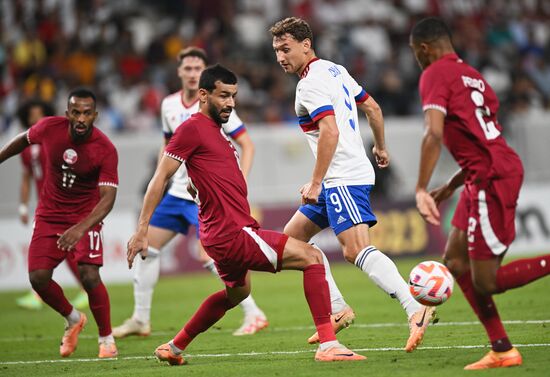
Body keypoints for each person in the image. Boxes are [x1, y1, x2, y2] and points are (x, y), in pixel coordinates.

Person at [126, 64, 365, 365]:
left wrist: (197, 188)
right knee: (312, 257)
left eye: (234, 96)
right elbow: (160, 177)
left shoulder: (217, 133)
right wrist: (142, 229)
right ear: (203, 95)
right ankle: (328, 345)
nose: (230, 103)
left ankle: (174, 347)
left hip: (223, 234)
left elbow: (197, 179)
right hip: (232, 233)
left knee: (237, 294)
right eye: (223, 96)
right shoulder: (191, 129)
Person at [270, 17, 435, 352]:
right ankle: (337, 309)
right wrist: (381, 147)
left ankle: (415, 306)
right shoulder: (335, 70)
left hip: (341, 178)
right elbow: (372, 108)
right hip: (343, 173)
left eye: (285, 49)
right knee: (293, 240)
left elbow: (329, 131)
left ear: (306, 45)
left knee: (355, 249)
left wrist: (316, 182)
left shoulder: (309, 85)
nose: (280, 57)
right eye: (275, 51)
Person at [410, 17, 550, 370]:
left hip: (491, 178)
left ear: (424, 49)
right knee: (455, 262)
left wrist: (421, 188)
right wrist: (451, 185)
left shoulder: (434, 74)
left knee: (486, 281)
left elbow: (434, 135)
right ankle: (502, 349)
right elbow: (482, 140)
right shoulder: (476, 78)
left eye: (415, 53)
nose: (416, 60)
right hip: (481, 174)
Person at [113, 47, 267, 339]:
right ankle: (140, 319)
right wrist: (162, 175)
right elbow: (167, 144)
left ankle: (253, 312)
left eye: (199, 68)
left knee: (209, 254)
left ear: (204, 74)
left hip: (204, 196)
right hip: (176, 194)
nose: (194, 73)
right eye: (189, 68)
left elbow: (247, 144)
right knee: (148, 248)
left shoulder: (217, 104)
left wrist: (239, 182)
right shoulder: (169, 105)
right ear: (180, 72)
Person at [0, 88, 119, 358]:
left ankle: (107, 340)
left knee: (89, 275)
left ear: (95, 116)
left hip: (86, 216)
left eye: (87, 113)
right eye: (75, 112)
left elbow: (108, 199)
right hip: (49, 214)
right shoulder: (49, 128)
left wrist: (80, 228)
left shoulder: (105, 149)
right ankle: (73, 318)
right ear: (67, 114)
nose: (80, 118)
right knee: (38, 278)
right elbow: (22, 139)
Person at [14, 99, 89, 312]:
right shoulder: (27, 149)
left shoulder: (55, 141)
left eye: (40, 114)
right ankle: (46, 292)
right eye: (31, 115)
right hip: (44, 206)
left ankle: (45, 292)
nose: (36, 119)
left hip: (61, 204)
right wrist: (22, 206)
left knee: (61, 248)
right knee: (57, 249)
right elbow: (26, 177)